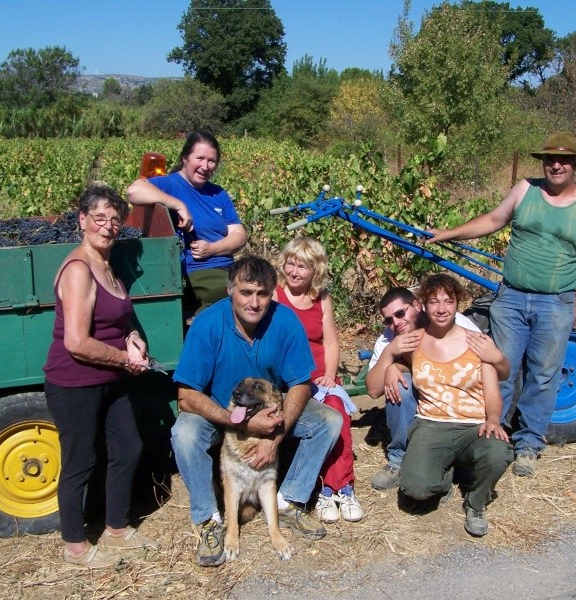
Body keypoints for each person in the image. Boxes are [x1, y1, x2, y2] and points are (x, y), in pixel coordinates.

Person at [425, 131, 576, 477]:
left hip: (556, 302)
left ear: (575, 164)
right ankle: (491, 437)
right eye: (549, 159)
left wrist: (575, 299)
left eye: (563, 159)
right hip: (511, 297)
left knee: (544, 374)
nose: (556, 165)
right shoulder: (526, 190)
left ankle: (528, 444)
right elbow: (493, 220)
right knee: (499, 367)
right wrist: (447, 233)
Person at [170, 255, 343, 567]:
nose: (254, 302)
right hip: (220, 409)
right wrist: (239, 423)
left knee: (329, 420)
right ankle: (209, 519)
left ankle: (286, 501)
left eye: (262, 293)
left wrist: (274, 435)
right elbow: (185, 396)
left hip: (270, 406)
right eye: (246, 292)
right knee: (184, 433)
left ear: (271, 293)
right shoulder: (208, 324)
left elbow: (301, 384)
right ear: (230, 290)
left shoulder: (285, 321)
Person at [43, 184, 158, 569]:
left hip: (108, 379)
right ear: (82, 220)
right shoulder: (79, 270)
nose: (108, 226)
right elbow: (77, 342)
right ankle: (75, 546)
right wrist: (125, 361)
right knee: (80, 460)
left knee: (128, 448)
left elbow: (117, 321)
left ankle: (116, 528)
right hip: (74, 381)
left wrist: (134, 338)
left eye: (115, 220)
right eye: (99, 218)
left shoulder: (109, 266)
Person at [398, 274, 513, 537]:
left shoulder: (476, 341)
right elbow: (398, 365)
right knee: (415, 490)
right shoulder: (415, 341)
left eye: (448, 301)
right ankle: (447, 475)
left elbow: (494, 388)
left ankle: (476, 503)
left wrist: (493, 419)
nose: (441, 309)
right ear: (423, 305)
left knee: (497, 452)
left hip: (473, 425)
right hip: (431, 423)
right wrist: (393, 366)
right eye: (434, 302)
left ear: (457, 303)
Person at [365, 287, 509, 491]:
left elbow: (491, 367)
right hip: (426, 402)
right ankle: (400, 459)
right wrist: (390, 357)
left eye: (400, 313)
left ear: (417, 305)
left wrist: (498, 360)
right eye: (388, 320)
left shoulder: (451, 322)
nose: (395, 323)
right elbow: (372, 390)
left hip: (457, 402)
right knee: (398, 385)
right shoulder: (389, 338)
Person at [273, 237, 364, 524]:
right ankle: (331, 487)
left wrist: (329, 375)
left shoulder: (321, 298)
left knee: (337, 409)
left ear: (316, 271)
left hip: (320, 375)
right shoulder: (275, 295)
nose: (295, 271)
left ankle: (337, 488)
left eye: (303, 266)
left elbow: (331, 343)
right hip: (291, 379)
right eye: (291, 263)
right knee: (321, 419)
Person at [127, 129, 247, 317]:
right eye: (199, 158)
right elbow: (134, 191)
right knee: (238, 296)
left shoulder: (218, 194)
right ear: (185, 158)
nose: (205, 166)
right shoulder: (170, 185)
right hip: (200, 271)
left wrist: (213, 248)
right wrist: (177, 204)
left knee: (264, 288)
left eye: (211, 161)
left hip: (226, 265)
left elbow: (239, 236)